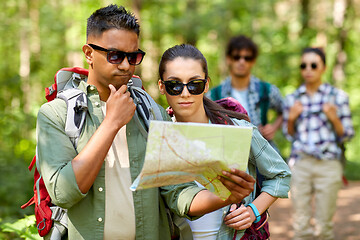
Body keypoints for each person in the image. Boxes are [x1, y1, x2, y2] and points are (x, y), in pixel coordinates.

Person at [36, 5, 256, 240]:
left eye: (133, 57)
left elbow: (176, 191)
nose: (125, 65)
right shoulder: (56, 114)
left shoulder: (151, 111)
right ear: (89, 53)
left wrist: (226, 196)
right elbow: (63, 192)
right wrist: (111, 123)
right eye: (115, 55)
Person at [158, 43, 291, 239]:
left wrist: (253, 211)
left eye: (195, 84)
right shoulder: (158, 137)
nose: (185, 93)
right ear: (161, 86)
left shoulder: (238, 129)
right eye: (174, 85)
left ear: (207, 84)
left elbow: (281, 174)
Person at [282, 47, 354, 240]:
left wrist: (335, 119)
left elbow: (347, 134)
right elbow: (288, 135)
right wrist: (291, 119)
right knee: (300, 225)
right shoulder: (292, 98)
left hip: (328, 164)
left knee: (324, 227)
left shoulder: (338, 97)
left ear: (324, 68)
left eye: (314, 65)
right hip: (301, 164)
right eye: (303, 65)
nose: (308, 69)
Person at [207, 35, 284, 148]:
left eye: (247, 58)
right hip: (227, 152)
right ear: (229, 59)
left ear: (253, 61)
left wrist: (273, 128)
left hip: (262, 155)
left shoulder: (266, 90)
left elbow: (284, 110)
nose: (242, 62)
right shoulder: (214, 95)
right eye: (236, 57)